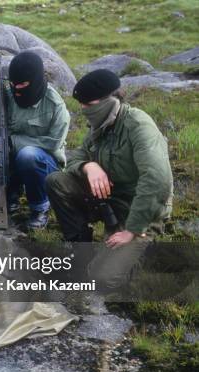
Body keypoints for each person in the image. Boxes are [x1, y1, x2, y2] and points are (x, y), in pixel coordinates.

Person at [45, 69, 173, 291]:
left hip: (141, 209)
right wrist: (89, 166)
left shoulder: (138, 126)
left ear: (110, 99)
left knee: (101, 279)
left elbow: (158, 180)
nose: (84, 110)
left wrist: (132, 229)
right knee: (56, 181)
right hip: (109, 199)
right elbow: (76, 157)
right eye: (82, 105)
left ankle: (142, 248)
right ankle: (80, 247)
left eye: (89, 104)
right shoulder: (101, 124)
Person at [0, 51, 70, 229]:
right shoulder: (5, 95)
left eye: (22, 84)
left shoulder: (55, 105)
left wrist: (12, 142)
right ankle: (10, 195)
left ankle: (40, 207)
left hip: (45, 166)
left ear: (36, 81)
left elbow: (53, 143)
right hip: (9, 160)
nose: (16, 89)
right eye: (13, 84)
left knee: (28, 156)